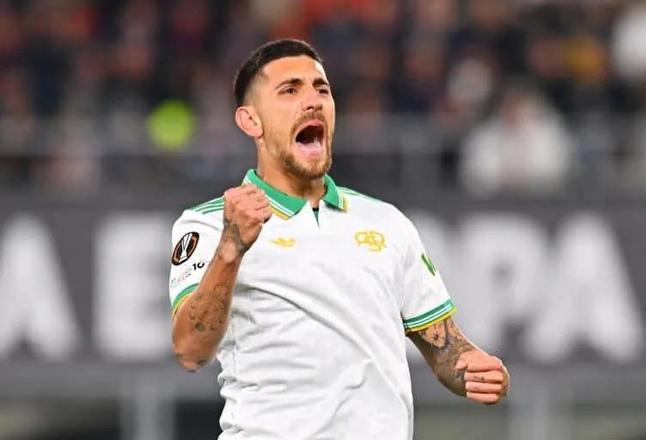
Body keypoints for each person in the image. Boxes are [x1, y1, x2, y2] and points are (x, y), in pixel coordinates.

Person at [169, 39, 509, 440]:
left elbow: (445, 349)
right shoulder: (209, 225)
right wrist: (230, 251)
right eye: (290, 90)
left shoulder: (387, 223)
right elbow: (190, 350)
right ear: (251, 121)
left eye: (321, 89)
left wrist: (475, 368)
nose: (312, 101)